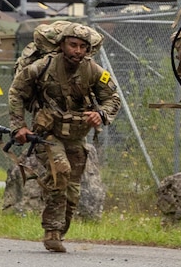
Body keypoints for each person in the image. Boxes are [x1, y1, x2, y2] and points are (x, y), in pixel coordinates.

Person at [7, 22, 121, 253]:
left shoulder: (94, 70)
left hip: (77, 136)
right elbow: (16, 91)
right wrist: (19, 126)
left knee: (73, 189)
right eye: (73, 45)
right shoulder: (42, 66)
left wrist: (101, 114)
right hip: (48, 134)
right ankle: (51, 231)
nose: (77, 51)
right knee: (61, 173)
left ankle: (60, 231)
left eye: (82, 46)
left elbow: (113, 98)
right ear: (61, 45)